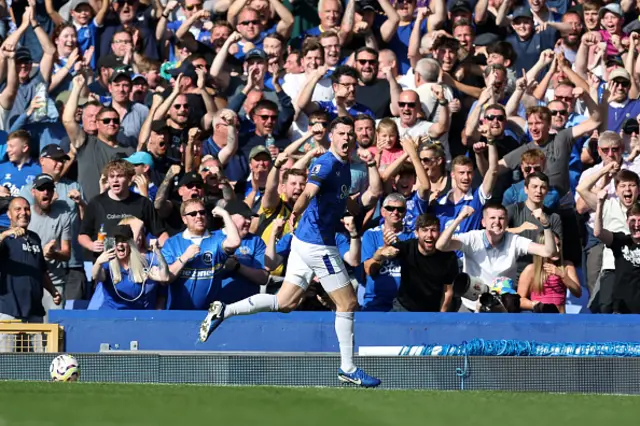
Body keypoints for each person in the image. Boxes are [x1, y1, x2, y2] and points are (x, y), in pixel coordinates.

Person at [200, 116, 381, 387]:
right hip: (317, 244)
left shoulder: (345, 167)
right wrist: (295, 213)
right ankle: (348, 367)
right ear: (332, 137)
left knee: (283, 303)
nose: (346, 138)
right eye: (341, 133)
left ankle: (224, 311)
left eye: (350, 134)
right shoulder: (327, 163)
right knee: (348, 303)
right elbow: (307, 193)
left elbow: (343, 200)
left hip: (305, 243)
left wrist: (355, 209)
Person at [436, 203, 557, 312]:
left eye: (501, 218)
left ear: (506, 222)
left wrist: (546, 225)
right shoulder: (472, 238)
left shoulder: (514, 241)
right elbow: (441, 245)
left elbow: (549, 252)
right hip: (471, 306)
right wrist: (459, 219)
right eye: (492, 218)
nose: (497, 222)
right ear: (483, 222)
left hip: (501, 308)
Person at [0, 197, 61, 352]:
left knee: (35, 365)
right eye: (18, 209)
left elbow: (40, 270)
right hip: (9, 311)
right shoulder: (4, 236)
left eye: (26, 209)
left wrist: (53, 290)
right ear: (9, 214)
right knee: (6, 365)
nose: (23, 213)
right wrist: (5, 235)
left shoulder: (35, 238)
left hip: (34, 312)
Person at [161, 199, 242, 309]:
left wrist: (225, 214)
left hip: (210, 313)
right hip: (178, 313)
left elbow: (235, 242)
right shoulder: (172, 243)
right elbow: (166, 278)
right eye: (193, 214)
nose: (198, 216)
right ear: (184, 219)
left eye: (202, 212)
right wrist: (184, 258)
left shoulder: (216, 239)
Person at [381, 213, 459, 312]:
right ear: (416, 233)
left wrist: (441, 316)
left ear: (439, 233)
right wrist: (386, 247)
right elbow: (383, 254)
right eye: (424, 230)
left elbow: (447, 291)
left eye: (434, 230)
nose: (429, 235)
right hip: (404, 308)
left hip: (432, 310)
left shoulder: (448, 256)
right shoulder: (407, 248)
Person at [91, 224, 170, 310]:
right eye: (116, 241)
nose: (120, 244)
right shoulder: (107, 265)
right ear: (112, 244)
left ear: (131, 244)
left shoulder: (143, 264)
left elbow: (164, 277)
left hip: (134, 317)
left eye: (124, 240)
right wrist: (98, 262)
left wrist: (158, 251)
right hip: (111, 315)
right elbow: (96, 276)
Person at [517, 232, 581, 313]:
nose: (557, 250)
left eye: (559, 245)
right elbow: (519, 300)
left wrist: (562, 275)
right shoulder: (531, 269)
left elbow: (578, 293)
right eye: (553, 246)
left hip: (560, 319)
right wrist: (535, 305)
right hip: (539, 319)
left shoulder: (567, 266)